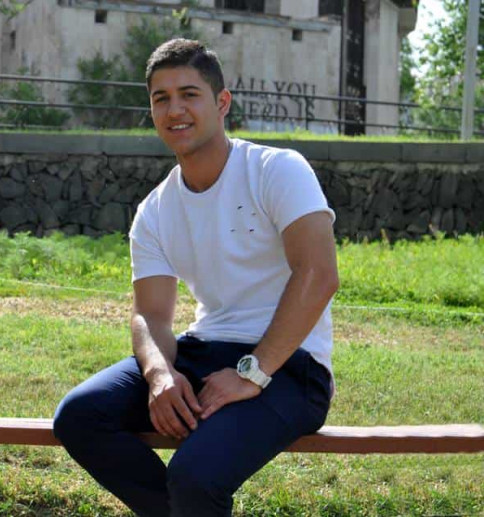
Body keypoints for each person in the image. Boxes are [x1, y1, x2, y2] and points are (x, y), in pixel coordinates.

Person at [53, 38, 338, 516]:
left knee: (194, 475)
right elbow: (150, 316)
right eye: (161, 98)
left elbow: (319, 274)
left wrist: (253, 371)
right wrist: (160, 375)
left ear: (222, 102)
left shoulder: (276, 170)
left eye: (189, 94)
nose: (175, 110)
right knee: (80, 416)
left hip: (290, 367)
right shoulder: (154, 210)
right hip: (204, 352)